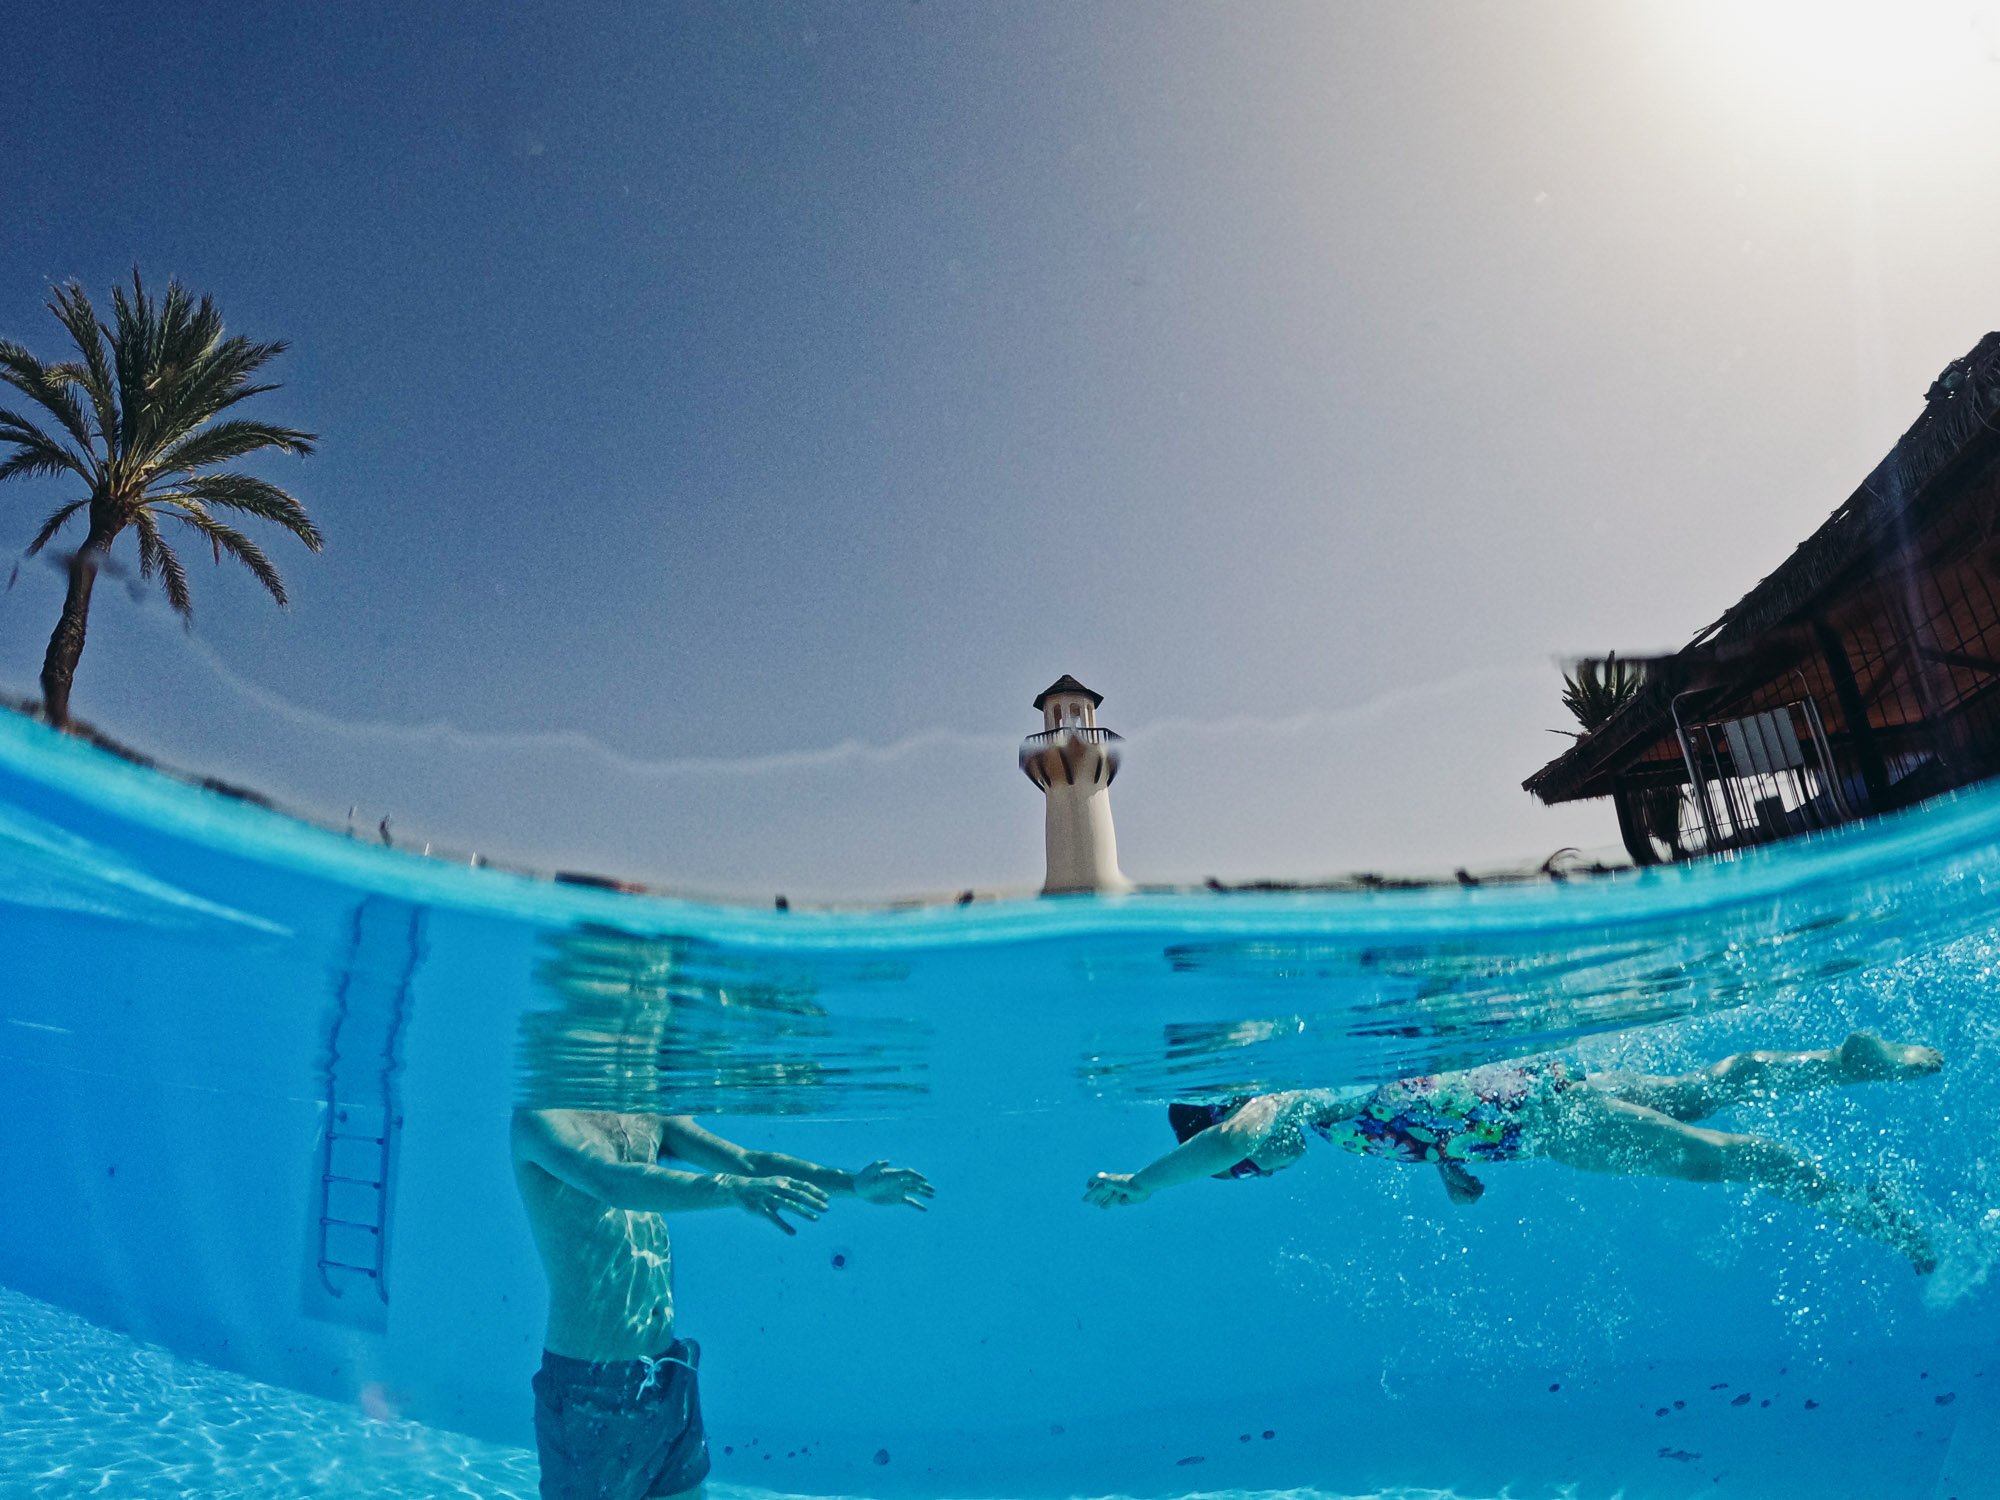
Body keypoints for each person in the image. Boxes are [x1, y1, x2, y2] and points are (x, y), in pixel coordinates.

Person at [1084, 1032, 1942, 1271]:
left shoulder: (1284, 1103)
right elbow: (1426, 1110)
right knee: (1705, 1088)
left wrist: (1145, 1184)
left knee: (1722, 1158)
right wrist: (1453, 1171)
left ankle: (1876, 1215)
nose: (1259, 1170)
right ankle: (1839, 1064)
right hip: (1552, 1084)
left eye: (1247, 1174)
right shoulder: (1336, 1108)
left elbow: (1228, 1139)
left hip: (1552, 1124)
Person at [512, 1109, 933, 1500]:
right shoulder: (542, 1117)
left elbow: (748, 1163)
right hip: (592, 1382)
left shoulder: (645, 1106)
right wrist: (732, 1191)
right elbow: (611, 1182)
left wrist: (853, 1184)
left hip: (668, 1370)